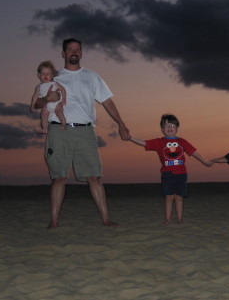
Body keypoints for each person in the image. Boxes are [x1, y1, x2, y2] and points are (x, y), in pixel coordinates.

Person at [34, 38, 130, 229]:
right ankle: (54, 221)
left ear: (82, 53)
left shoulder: (92, 76)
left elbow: (107, 102)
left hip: (85, 130)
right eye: (69, 49)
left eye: (77, 49)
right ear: (63, 54)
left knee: (94, 176)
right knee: (59, 177)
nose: (74, 52)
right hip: (58, 130)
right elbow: (36, 104)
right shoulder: (54, 77)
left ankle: (106, 219)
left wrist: (121, 123)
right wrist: (46, 99)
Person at [128, 114, 211, 225]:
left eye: (172, 125)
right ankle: (167, 220)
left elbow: (193, 152)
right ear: (162, 129)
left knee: (179, 197)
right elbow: (144, 142)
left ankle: (180, 220)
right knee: (168, 197)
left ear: (177, 128)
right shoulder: (159, 142)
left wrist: (205, 161)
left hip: (181, 174)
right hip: (167, 174)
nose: (170, 127)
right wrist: (131, 138)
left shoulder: (182, 141)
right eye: (166, 125)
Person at [30, 61, 67, 133]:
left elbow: (63, 89)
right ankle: (45, 128)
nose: (46, 75)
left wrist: (64, 99)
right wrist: (32, 105)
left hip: (56, 104)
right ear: (39, 75)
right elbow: (35, 96)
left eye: (48, 74)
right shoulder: (38, 87)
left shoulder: (55, 83)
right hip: (46, 105)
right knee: (43, 115)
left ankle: (64, 124)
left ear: (52, 75)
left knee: (59, 112)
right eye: (43, 74)